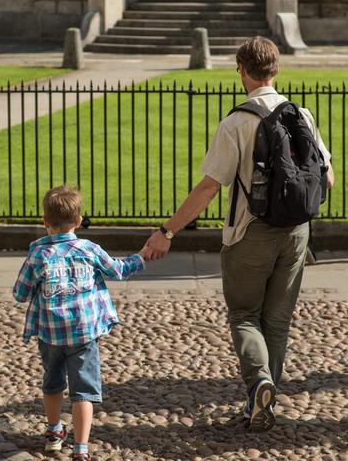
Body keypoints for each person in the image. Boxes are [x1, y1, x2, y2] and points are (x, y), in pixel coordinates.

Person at [141, 37, 334, 432]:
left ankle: (258, 384)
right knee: (277, 322)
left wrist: (167, 231)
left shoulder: (236, 123)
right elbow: (327, 177)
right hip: (297, 234)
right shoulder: (303, 115)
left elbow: (209, 187)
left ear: (242, 71)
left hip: (251, 233)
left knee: (245, 316)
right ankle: (261, 403)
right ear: (276, 70)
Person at [13, 186, 145, 461]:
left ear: (45, 221)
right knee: (83, 390)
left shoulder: (38, 255)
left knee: (52, 383)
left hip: (50, 335)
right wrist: (140, 258)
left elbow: (20, 293)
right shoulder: (89, 249)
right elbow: (118, 270)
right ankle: (81, 448)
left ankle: (53, 432)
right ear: (79, 220)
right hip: (84, 334)